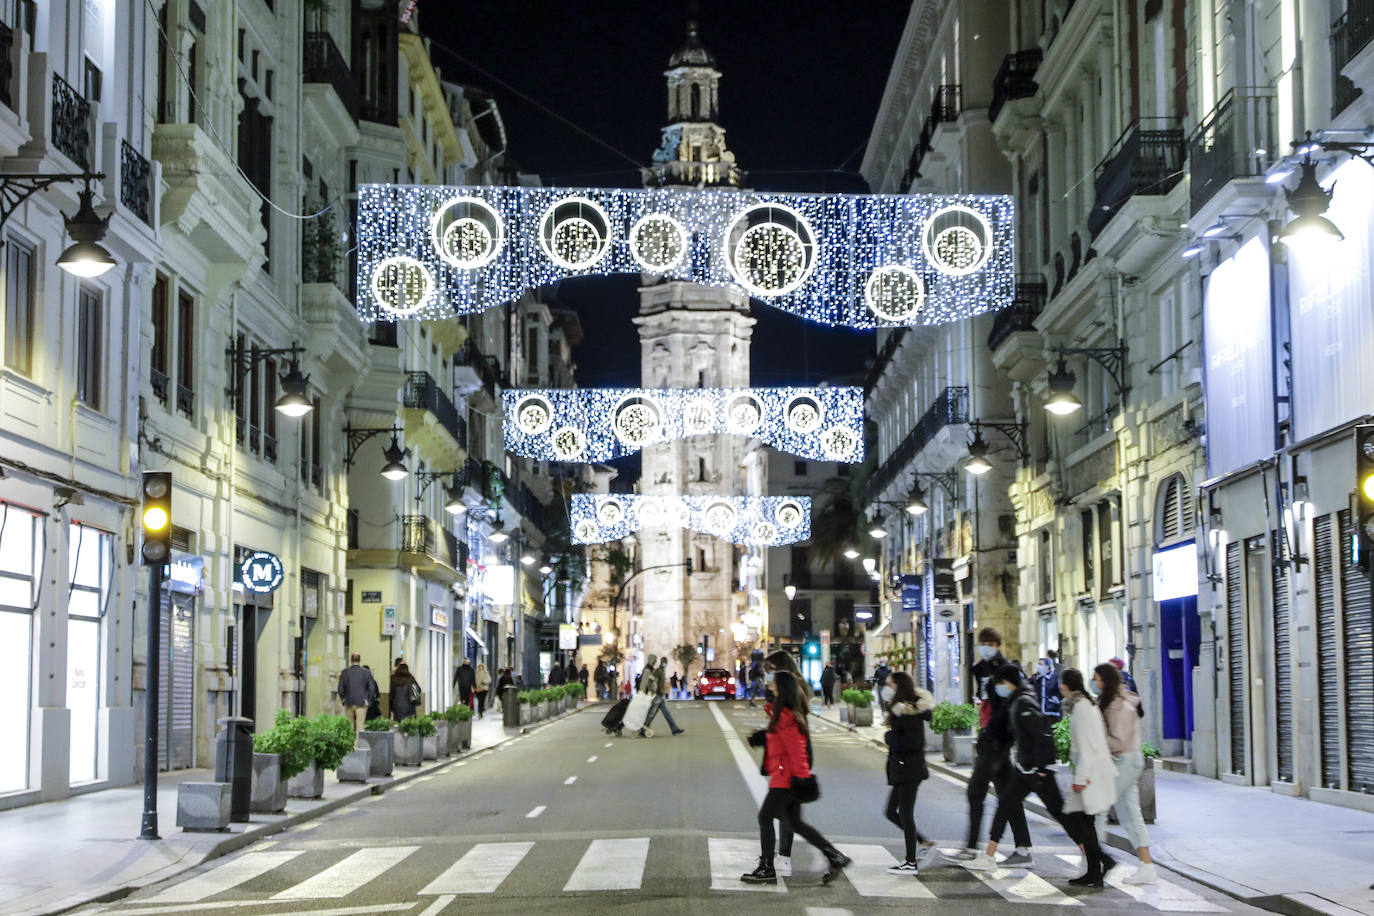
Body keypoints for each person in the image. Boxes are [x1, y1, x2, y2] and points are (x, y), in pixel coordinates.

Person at [970, 665, 1085, 874]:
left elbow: (1042, 735)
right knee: (1004, 805)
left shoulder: (1022, 702)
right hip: (1026, 768)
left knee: (1059, 813)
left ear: (1009, 683)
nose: (997, 688)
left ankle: (1092, 856)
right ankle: (989, 856)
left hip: (1036, 770)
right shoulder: (1018, 699)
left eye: (999, 684)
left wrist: (1042, 767)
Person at [740, 669, 851, 885]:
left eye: (774, 682)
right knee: (796, 824)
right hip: (786, 776)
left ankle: (767, 867)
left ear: (782, 687)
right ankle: (834, 856)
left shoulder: (785, 715)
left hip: (786, 779)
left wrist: (802, 779)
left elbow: (797, 749)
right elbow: (779, 739)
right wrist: (760, 737)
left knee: (765, 817)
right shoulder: (782, 714)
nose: (769, 684)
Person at [952, 627, 1032, 864]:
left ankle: (972, 848)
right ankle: (1024, 848)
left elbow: (1009, 703)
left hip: (997, 739)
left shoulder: (1007, 669)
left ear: (998, 644)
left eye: (990, 642)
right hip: (990, 735)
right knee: (1008, 796)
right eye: (982, 642)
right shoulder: (980, 670)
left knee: (975, 791)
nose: (986, 647)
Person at [1092, 663, 1157, 884]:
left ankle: (1094, 861)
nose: (1095, 683)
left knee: (1099, 806)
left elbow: (1117, 741)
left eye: (1097, 679)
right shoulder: (1113, 702)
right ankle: (1147, 867)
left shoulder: (1120, 706)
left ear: (1106, 681)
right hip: (1124, 761)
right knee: (1130, 815)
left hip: (1125, 761)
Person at [1060, 667, 1118, 886]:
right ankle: (1097, 866)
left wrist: (1081, 778)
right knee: (1084, 820)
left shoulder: (1082, 708)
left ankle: (1100, 863)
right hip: (1092, 769)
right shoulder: (1085, 704)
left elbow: (1087, 745)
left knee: (1079, 820)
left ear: (1066, 686)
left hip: (1090, 772)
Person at [883, 671, 935, 874]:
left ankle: (911, 861)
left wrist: (890, 737)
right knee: (890, 812)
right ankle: (923, 842)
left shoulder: (909, 713)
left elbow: (914, 742)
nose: (888, 688)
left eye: (891, 684)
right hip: (903, 767)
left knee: (905, 814)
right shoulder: (903, 710)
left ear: (898, 686)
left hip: (909, 768)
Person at [640, 654, 685, 736]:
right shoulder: (658, 671)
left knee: (665, 713)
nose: (665, 664)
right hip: (657, 695)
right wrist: (652, 690)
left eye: (666, 662)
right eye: (663, 662)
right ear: (661, 662)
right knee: (651, 713)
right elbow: (650, 680)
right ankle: (643, 729)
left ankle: (674, 729)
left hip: (661, 696)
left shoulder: (662, 671)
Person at [338, 654, 378, 733]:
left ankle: (350, 743)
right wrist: (367, 700)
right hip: (362, 702)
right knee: (360, 726)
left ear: (351, 660)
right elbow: (372, 688)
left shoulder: (345, 672)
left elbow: (340, 689)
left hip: (349, 702)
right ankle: (357, 744)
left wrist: (344, 699)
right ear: (359, 660)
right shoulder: (366, 672)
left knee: (349, 725)